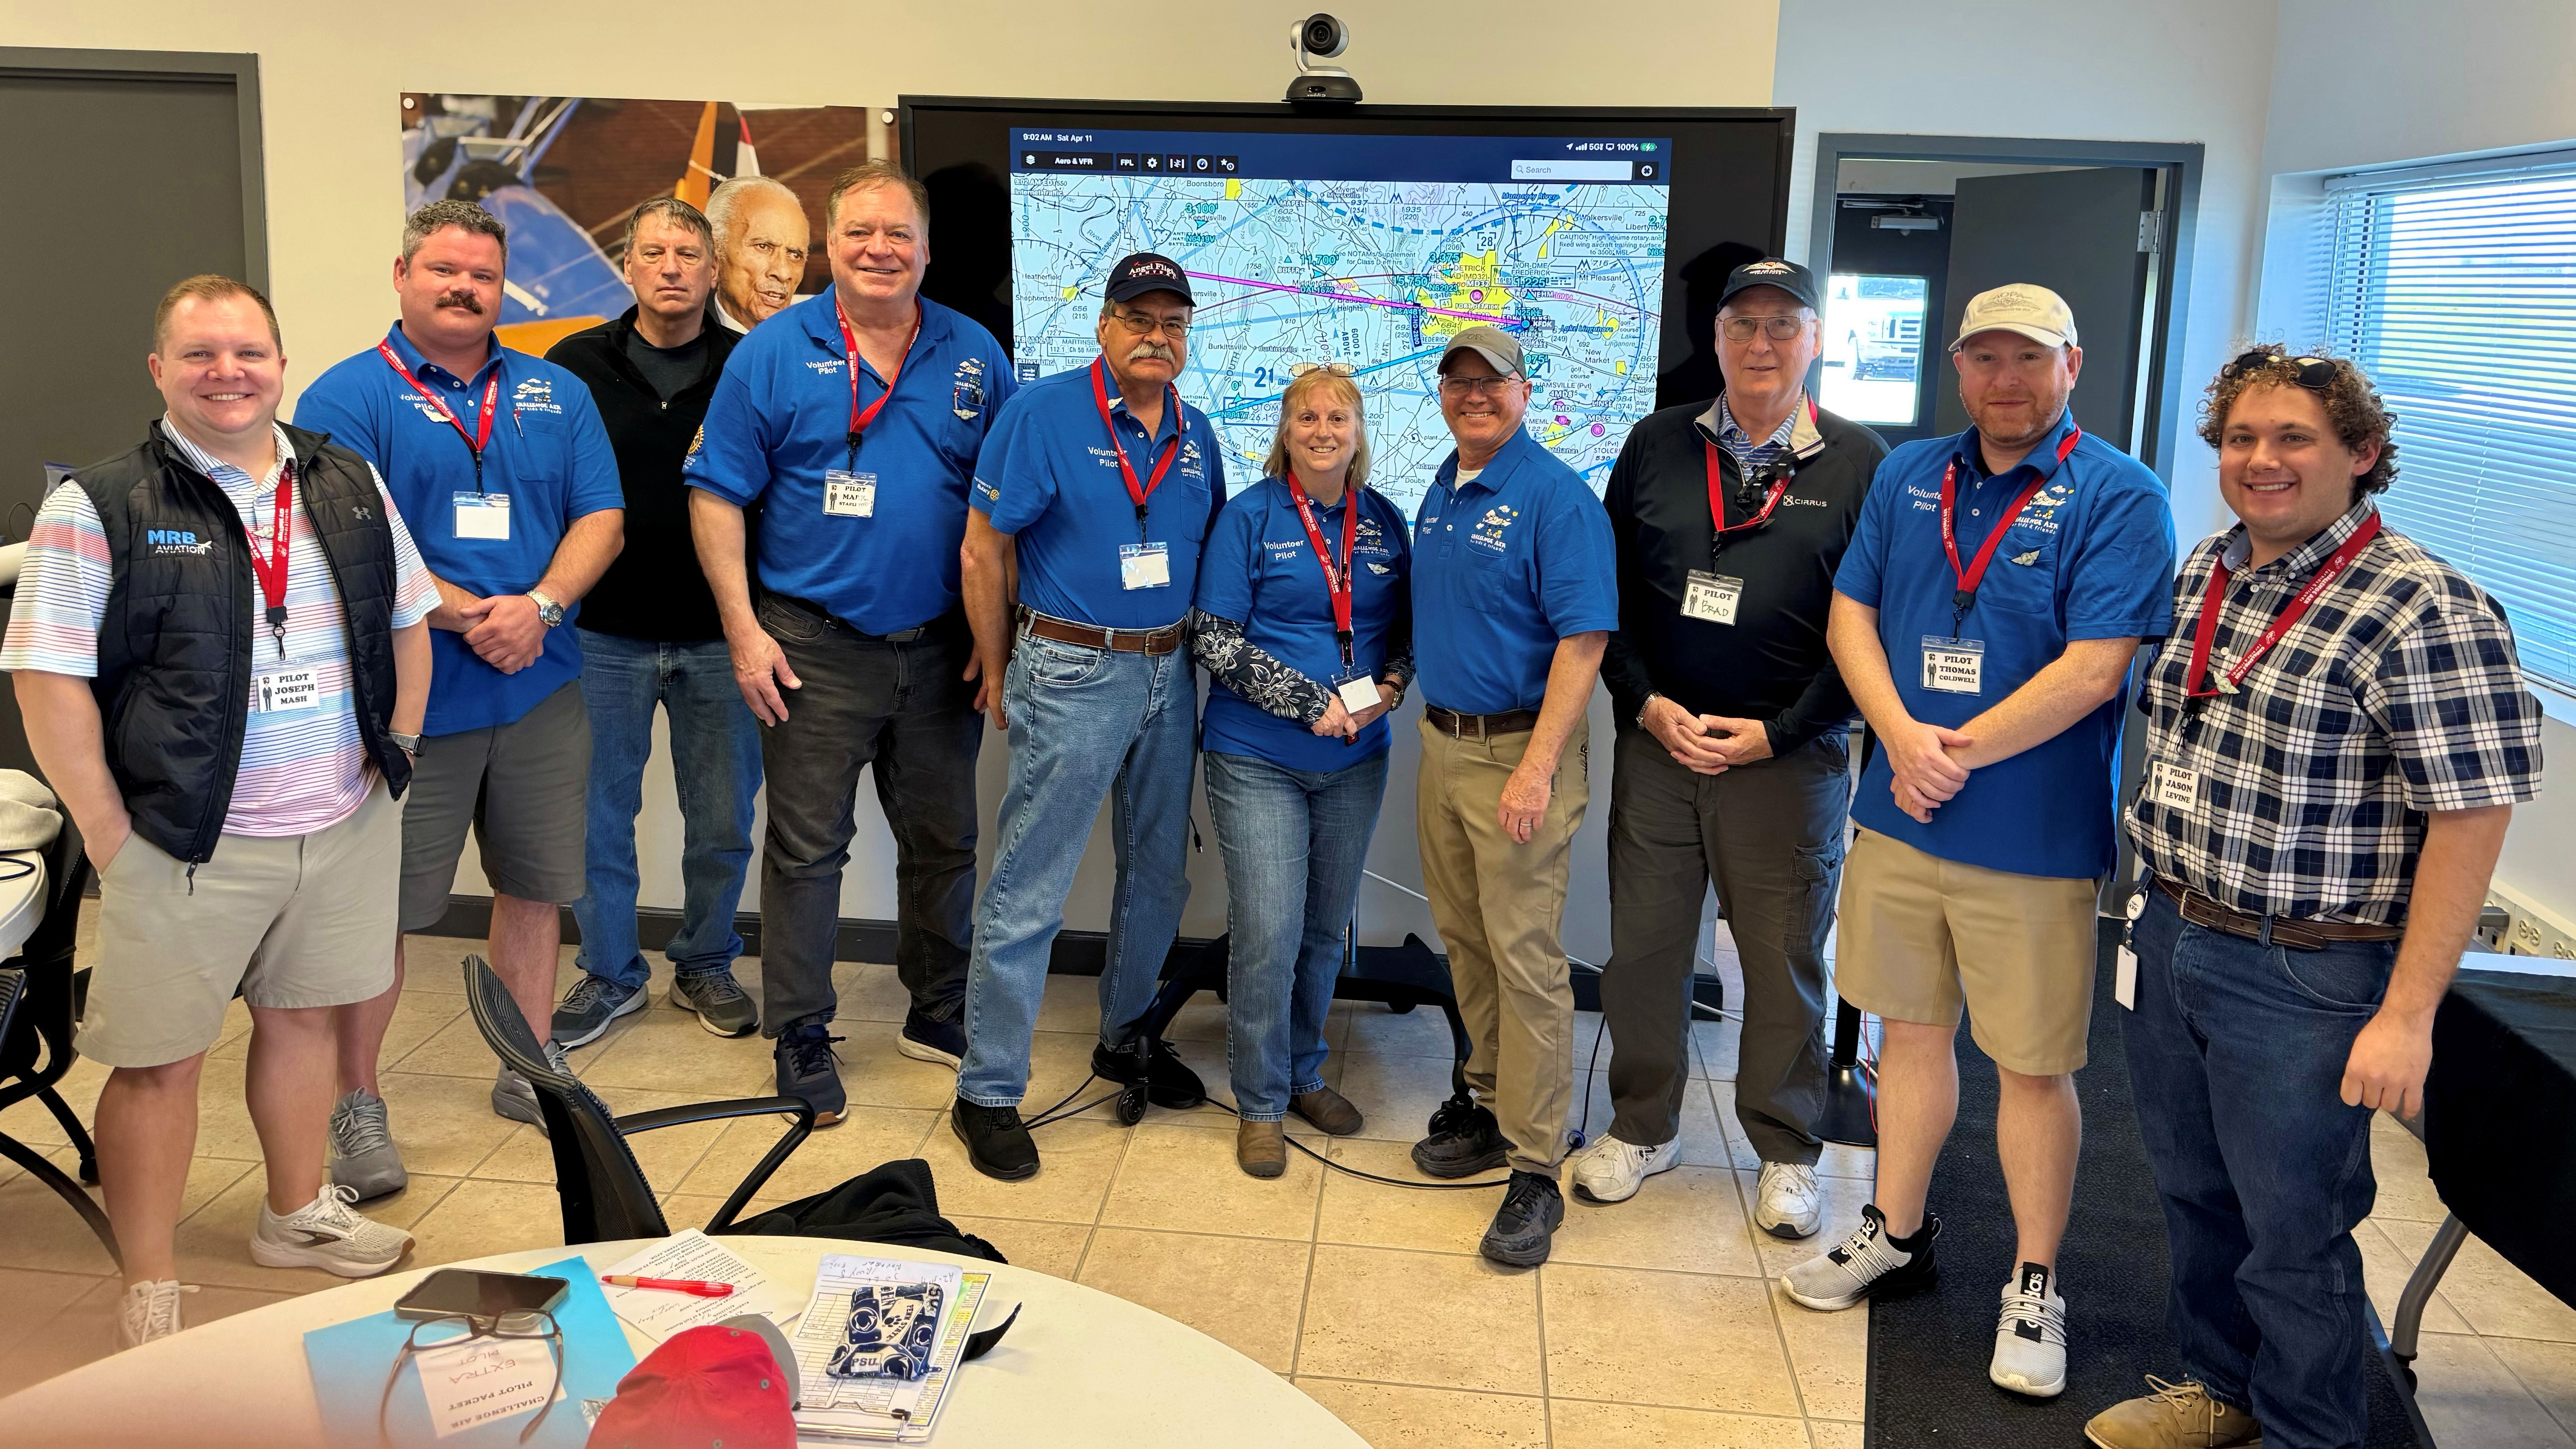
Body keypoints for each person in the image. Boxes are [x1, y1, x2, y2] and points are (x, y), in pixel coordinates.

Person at [2086, 348, 2542, 1449]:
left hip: (2307, 970)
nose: (2262, 460)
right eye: (2243, 438)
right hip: (2175, 926)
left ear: (2363, 455)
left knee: (2295, 1232)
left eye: (2294, 438)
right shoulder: (2211, 571)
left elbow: (2472, 817)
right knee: (2195, 1197)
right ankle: (2223, 1386)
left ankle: (2311, 1431)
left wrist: (2408, 1012)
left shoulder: (2424, 605)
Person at [4, 276, 434, 1344]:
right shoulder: (99, 503)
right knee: (158, 1063)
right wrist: (107, 828)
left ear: (281, 362)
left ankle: (294, 1214)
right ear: (160, 370)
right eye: (200, 354)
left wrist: (395, 760)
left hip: (336, 819)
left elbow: (409, 622)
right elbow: (46, 678)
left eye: (248, 352)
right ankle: (147, 1275)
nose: (227, 372)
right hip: (183, 834)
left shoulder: (345, 479)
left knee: (302, 1022)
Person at [1783, 284, 2175, 1401]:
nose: (2006, 380)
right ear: (1957, 366)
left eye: (2028, 359)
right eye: (1984, 358)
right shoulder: (1912, 473)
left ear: (2072, 364)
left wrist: (1951, 751)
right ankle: (1894, 1230)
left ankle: (2035, 1278)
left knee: (2033, 1064)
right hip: (1902, 814)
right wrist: (1901, 739)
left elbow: (2098, 667)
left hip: (2033, 836)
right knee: (1908, 1034)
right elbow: (1850, 616)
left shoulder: (2119, 493)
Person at [686, 162, 1017, 1121]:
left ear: (925, 249)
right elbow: (714, 494)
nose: (880, 250)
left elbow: (998, 514)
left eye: (899, 234)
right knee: (805, 849)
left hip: (939, 646)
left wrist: (992, 643)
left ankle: (937, 1003)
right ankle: (800, 1028)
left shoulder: (972, 353)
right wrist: (743, 632)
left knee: (944, 838)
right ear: (831, 246)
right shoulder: (773, 352)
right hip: (810, 645)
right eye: (860, 233)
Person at [297, 200, 625, 1169]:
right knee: (384, 912)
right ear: (402, 275)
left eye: (481, 274)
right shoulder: (347, 397)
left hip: (539, 686)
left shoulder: (554, 393)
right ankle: (356, 1101)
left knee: (533, 888)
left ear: (501, 285)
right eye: (442, 269)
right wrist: (465, 611)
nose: (462, 287)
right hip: (411, 700)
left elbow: (601, 516)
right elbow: (344, 533)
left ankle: (527, 1062)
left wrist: (544, 606)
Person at [1588, 258, 1887, 1231]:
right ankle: (1643, 1124)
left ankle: (1786, 1146)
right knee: (1645, 950)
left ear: (1815, 338)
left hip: (1787, 760)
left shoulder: (1860, 462)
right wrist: (1644, 704)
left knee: (1784, 959)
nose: (1761, 344)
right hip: (1661, 749)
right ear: (1714, 340)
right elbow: (1611, 602)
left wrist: (1782, 730)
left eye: (1782, 326)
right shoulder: (1654, 444)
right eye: (1742, 325)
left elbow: (1872, 625)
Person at [953, 253, 1224, 1180]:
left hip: (1168, 670)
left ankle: (1123, 1037)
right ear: (1104, 327)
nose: (1158, 335)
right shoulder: (1042, 414)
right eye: (1140, 318)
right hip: (1071, 665)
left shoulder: (1198, 436)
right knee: (1031, 885)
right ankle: (986, 1090)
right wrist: (996, 662)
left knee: (1159, 878)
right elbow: (983, 548)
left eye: (1174, 322)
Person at [1402, 325, 1618, 1268]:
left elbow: (1583, 643)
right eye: (1458, 382)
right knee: (1465, 937)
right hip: (1442, 744)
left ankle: (1536, 1164)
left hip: (1516, 755)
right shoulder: (1442, 487)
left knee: (1526, 955)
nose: (1473, 396)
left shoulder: (1555, 499)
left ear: (1524, 392)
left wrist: (1535, 767)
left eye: (1491, 383)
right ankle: (1488, 1102)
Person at [542, 197, 759, 1048]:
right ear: (627, 267)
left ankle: (706, 961)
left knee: (722, 818)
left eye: (688, 253)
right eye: (653, 252)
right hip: (600, 633)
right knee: (597, 813)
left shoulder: (749, 366)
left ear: (714, 271)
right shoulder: (572, 366)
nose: (671, 267)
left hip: (720, 636)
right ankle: (608, 972)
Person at [1189, 363, 1411, 1178]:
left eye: (1337, 419)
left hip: (1356, 760)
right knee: (1269, 933)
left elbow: (1402, 639)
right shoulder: (1248, 517)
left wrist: (1386, 688)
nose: (1322, 431)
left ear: (1358, 434)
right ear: (1284, 432)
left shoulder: (1384, 522)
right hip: (1258, 756)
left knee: (1324, 930)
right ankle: (1257, 1101)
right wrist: (1302, 701)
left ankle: (1303, 1073)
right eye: (1305, 418)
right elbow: (1211, 635)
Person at [706, 176, 810, 333]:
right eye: (763, 247)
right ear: (715, 249)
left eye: (795, 255)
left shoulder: (820, 344)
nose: (783, 273)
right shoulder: (676, 338)